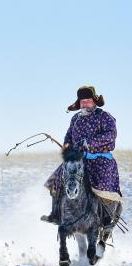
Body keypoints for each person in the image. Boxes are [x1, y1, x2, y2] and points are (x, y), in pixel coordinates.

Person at [42, 86, 123, 242]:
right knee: (56, 180)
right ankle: (57, 214)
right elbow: (69, 136)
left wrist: (90, 143)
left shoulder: (105, 117)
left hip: (100, 161)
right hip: (79, 160)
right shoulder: (75, 119)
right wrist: (67, 146)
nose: (85, 104)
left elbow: (111, 135)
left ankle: (107, 220)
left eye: (88, 101)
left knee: (102, 187)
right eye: (82, 102)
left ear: (94, 101)